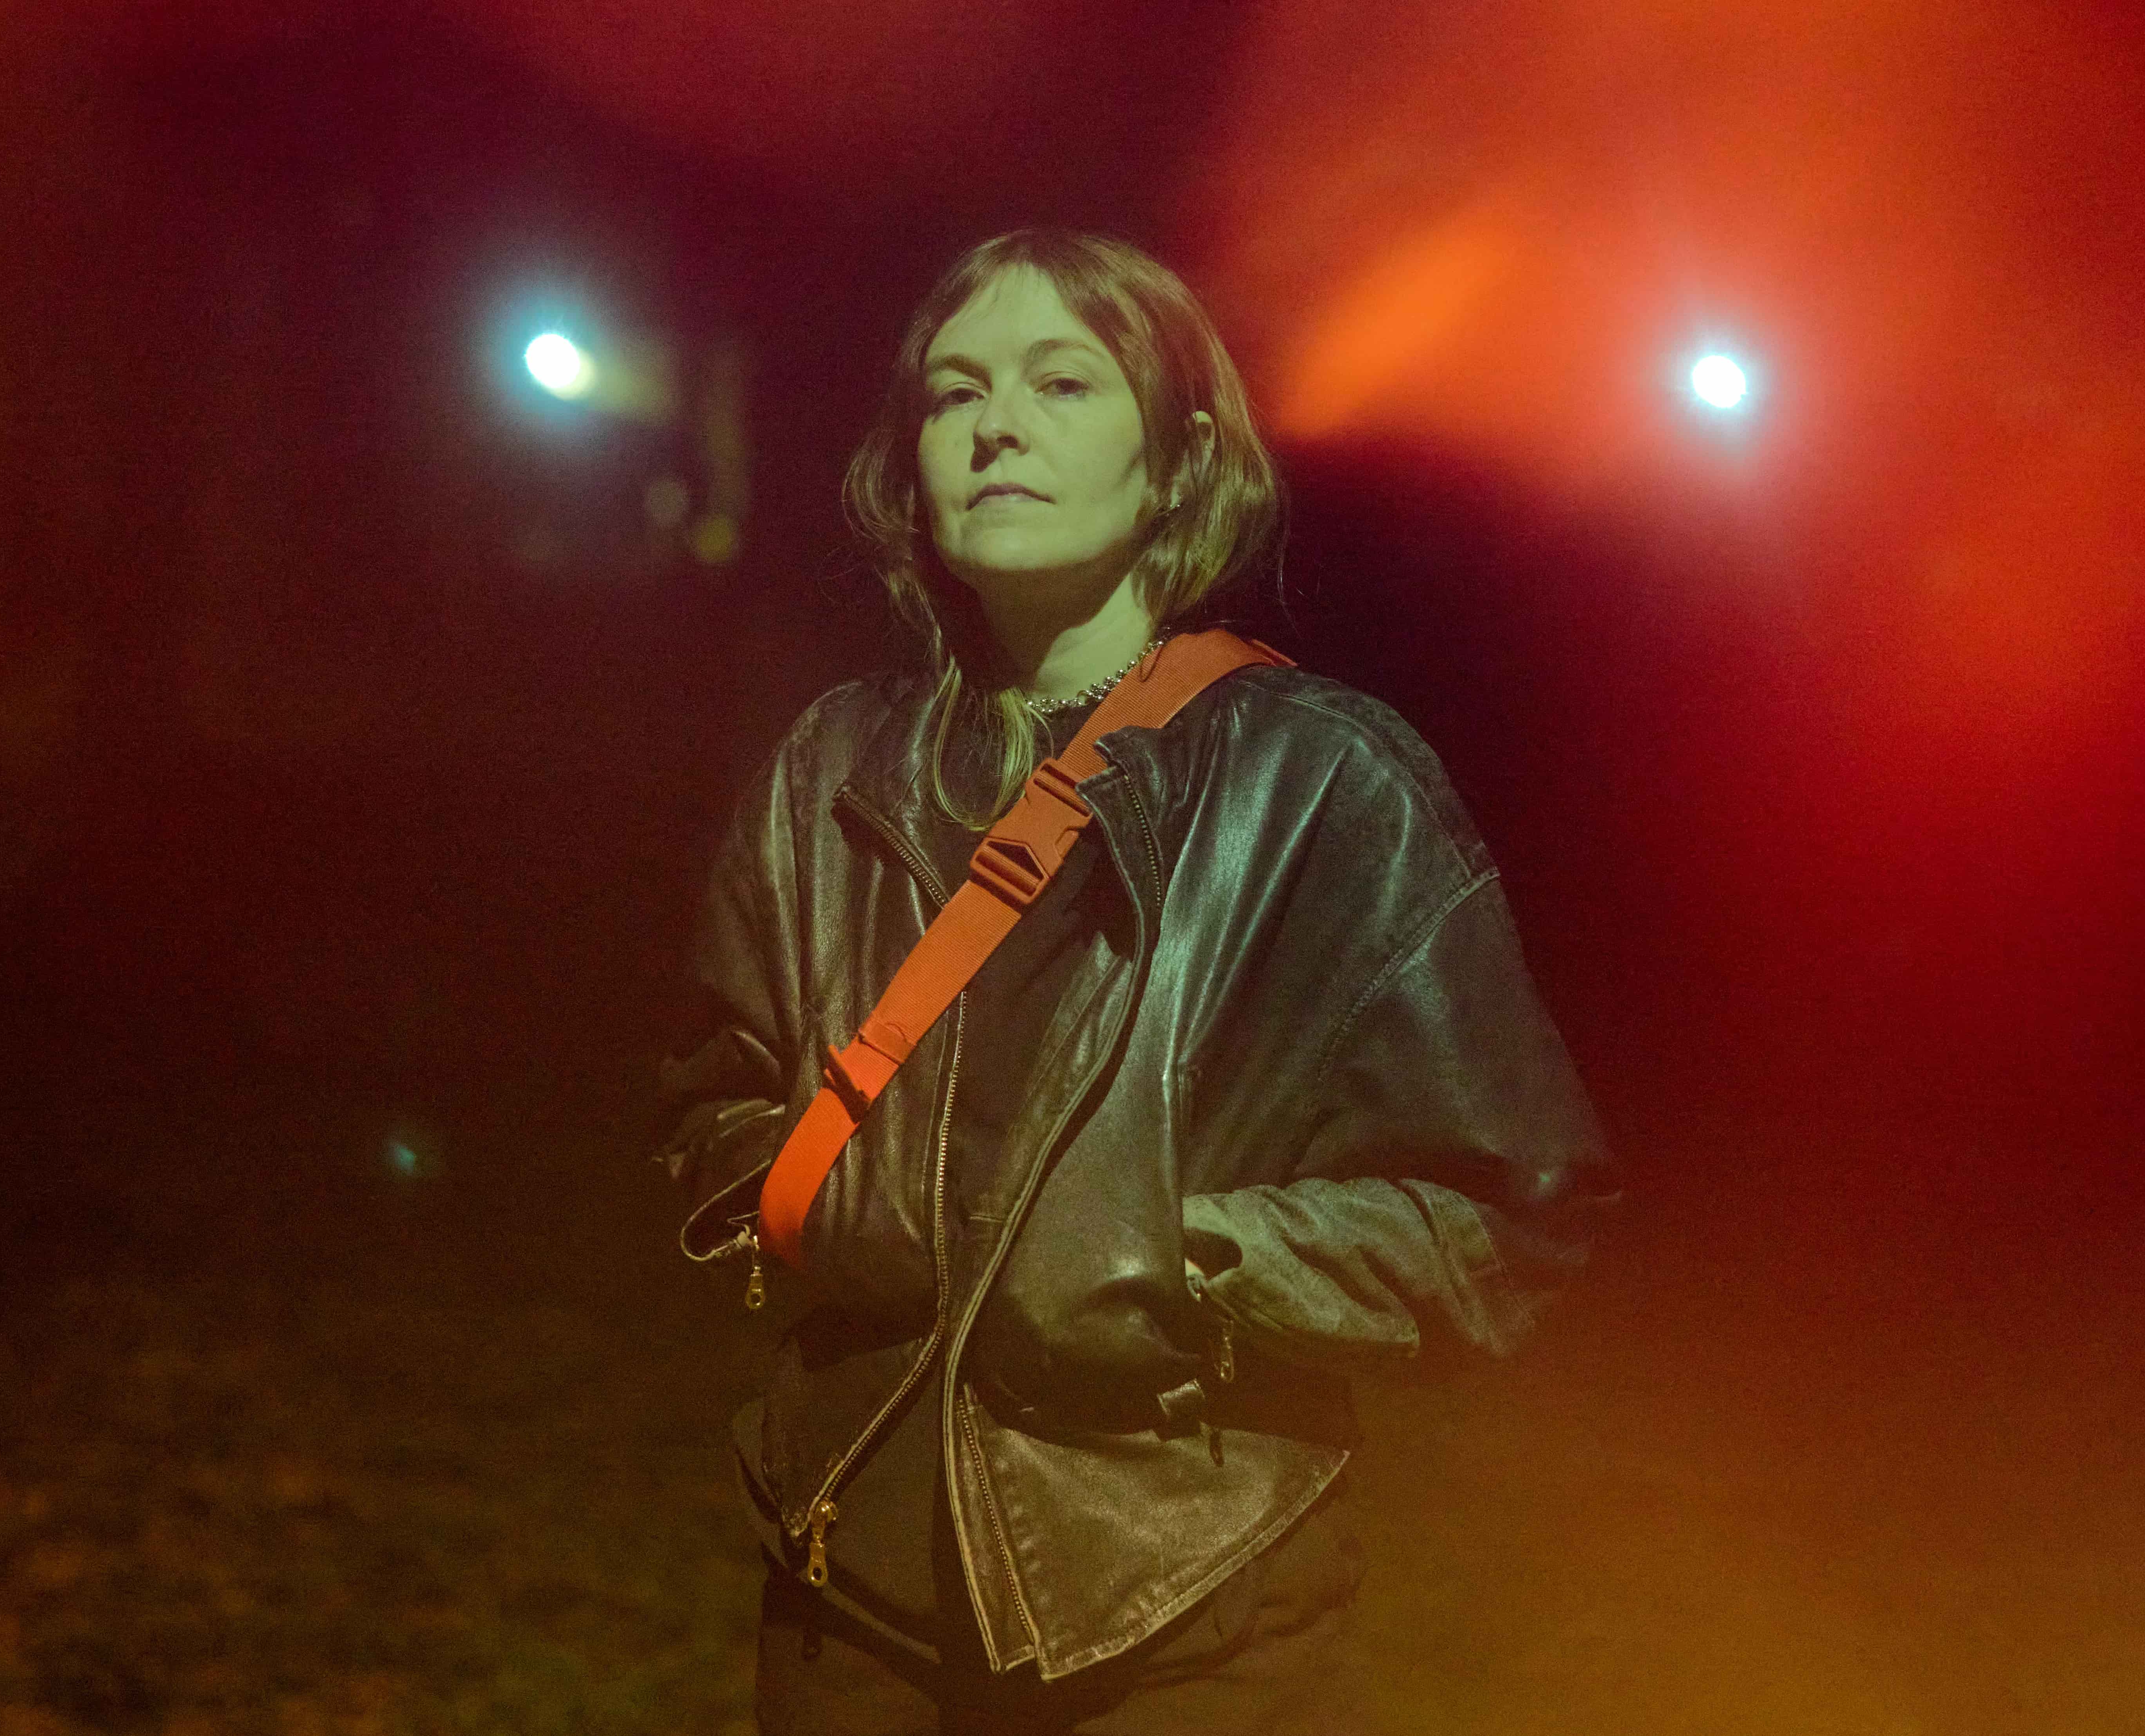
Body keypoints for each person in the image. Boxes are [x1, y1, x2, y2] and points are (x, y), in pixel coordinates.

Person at [656, 228, 1612, 1734]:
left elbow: (1506, 1212)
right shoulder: (829, 768)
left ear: (1175, 462)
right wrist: (825, 1204)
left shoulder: (1320, 785)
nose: (997, 427)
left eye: (1063, 382)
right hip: (849, 1593)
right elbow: (717, 1110)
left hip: (1187, 1616)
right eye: (954, 394)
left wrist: (1182, 1264)